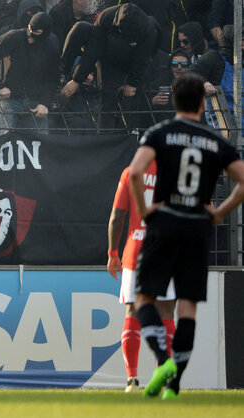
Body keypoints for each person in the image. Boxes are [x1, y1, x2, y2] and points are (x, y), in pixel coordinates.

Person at [128, 72, 244, 399]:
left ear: (176, 100)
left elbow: (136, 171)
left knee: (144, 298)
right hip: (197, 226)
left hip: (164, 222)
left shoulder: (160, 133)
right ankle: (174, 385)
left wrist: (146, 209)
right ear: (203, 102)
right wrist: (219, 213)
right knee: (188, 307)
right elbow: (243, 181)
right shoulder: (217, 142)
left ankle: (163, 361)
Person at [107, 160, 177, 392]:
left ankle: (132, 381)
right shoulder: (177, 171)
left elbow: (117, 216)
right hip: (167, 249)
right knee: (166, 312)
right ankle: (164, 377)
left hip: (136, 248)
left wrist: (112, 253)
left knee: (132, 311)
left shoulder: (131, 172)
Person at [0, 12, 59, 137]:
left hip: (36, 101)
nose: (30, 37)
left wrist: (45, 103)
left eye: (36, 34)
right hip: (9, 98)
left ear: (44, 33)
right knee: (3, 139)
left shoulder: (51, 47)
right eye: (30, 31)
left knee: (40, 144)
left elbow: (52, 78)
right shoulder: (14, 37)